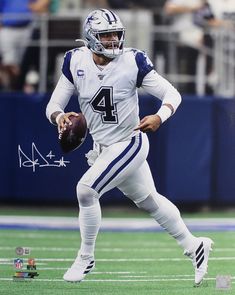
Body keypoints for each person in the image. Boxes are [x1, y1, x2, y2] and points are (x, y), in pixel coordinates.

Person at [46, 8, 213, 287]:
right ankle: (194, 245)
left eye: (116, 34)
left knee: (86, 190)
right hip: (102, 146)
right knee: (149, 200)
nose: (113, 40)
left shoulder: (132, 61)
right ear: (91, 37)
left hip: (128, 142)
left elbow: (172, 93)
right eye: (106, 35)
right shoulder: (74, 60)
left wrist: (161, 116)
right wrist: (59, 117)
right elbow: (53, 106)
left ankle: (85, 256)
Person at [0, 0, 50, 91]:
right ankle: (10, 87)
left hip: (27, 29)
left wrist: (37, 6)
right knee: (9, 64)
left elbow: (41, 6)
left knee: (21, 65)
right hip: (7, 29)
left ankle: (16, 87)